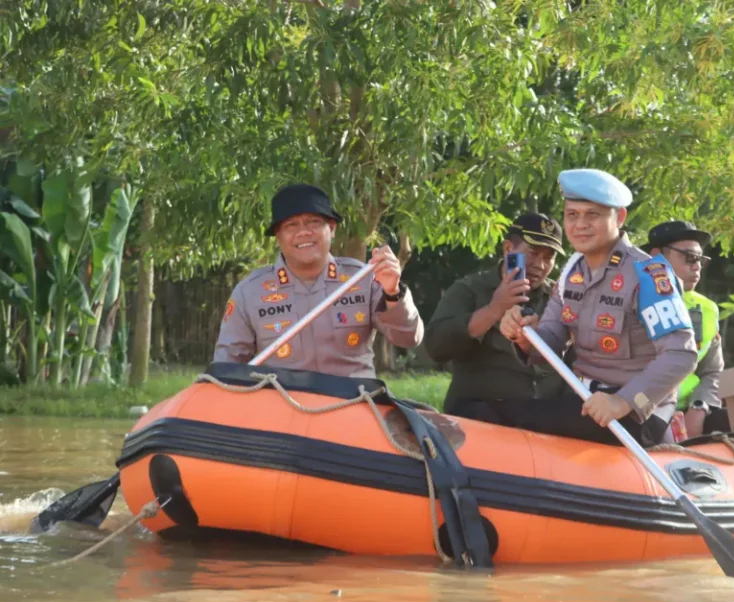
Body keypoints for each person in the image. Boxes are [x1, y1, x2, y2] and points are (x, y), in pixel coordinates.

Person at [494, 169, 699, 447]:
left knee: (499, 418)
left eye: (593, 215)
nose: (580, 225)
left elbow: (681, 355)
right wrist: (523, 337)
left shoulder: (649, 274)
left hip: (635, 413)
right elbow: (551, 342)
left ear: (620, 217)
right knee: (488, 411)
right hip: (585, 403)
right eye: (572, 215)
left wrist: (622, 402)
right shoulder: (570, 272)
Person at [213, 183, 423, 377]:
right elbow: (226, 367)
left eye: (314, 222)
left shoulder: (364, 279)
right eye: (291, 225)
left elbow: (409, 338)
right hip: (281, 408)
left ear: (331, 228)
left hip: (355, 404)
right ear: (278, 235)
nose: (304, 232)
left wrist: (393, 291)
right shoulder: (250, 292)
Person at [423, 213, 570, 416]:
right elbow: (435, 347)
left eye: (549, 258)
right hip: (481, 414)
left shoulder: (559, 298)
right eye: (534, 253)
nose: (541, 265)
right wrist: (493, 310)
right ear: (508, 248)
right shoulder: (470, 290)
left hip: (544, 418)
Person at [643, 220, 730, 438]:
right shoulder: (630, 298)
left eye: (701, 259)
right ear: (657, 257)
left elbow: (712, 371)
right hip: (639, 407)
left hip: (687, 409)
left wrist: (700, 406)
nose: (697, 265)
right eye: (690, 257)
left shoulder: (707, 309)